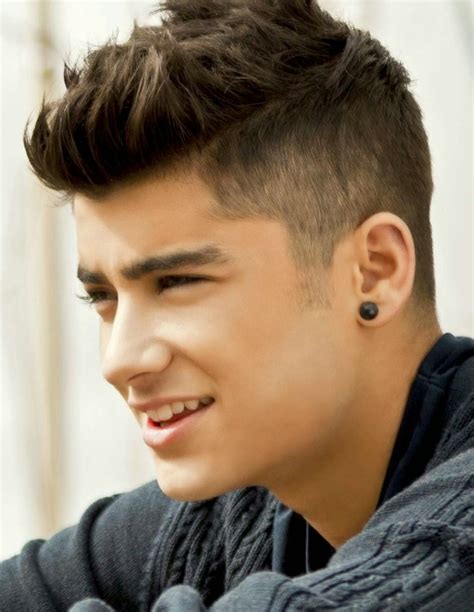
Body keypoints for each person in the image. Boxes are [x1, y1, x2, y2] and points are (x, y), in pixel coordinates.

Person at [2, 0, 473, 610]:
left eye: (176, 282)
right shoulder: (231, 509)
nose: (120, 360)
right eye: (103, 297)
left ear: (374, 271)